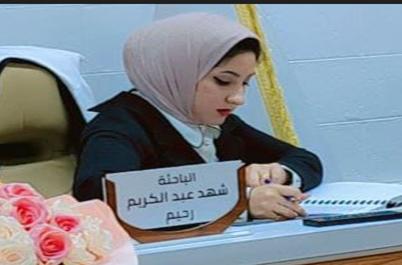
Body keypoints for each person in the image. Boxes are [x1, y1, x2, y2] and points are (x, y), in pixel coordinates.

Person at [73, 12, 323, 221]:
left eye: (245, 83)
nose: (238, 98)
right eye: (223, 81)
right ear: (175, 73)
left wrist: (278, 172)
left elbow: (305, 159)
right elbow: (101, 195)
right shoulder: (118, 126)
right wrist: (239, 202)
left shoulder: (211, 119)